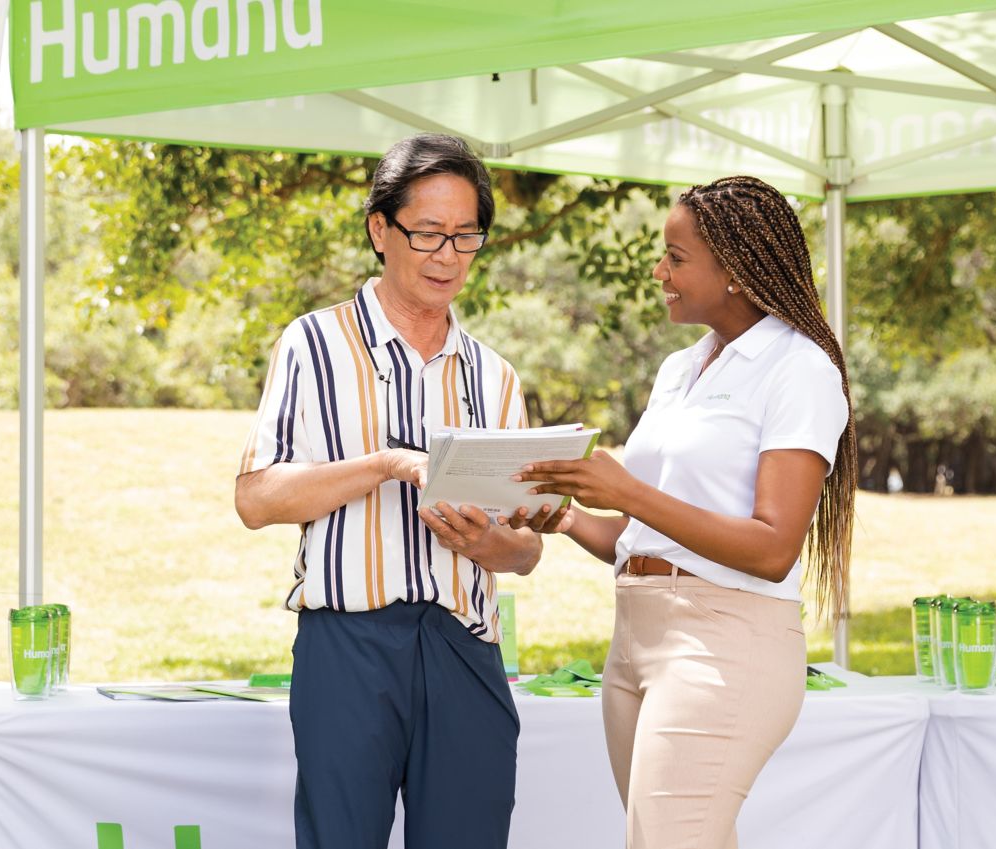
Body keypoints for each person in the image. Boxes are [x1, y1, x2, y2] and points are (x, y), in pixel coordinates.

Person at [514, 176, 856, 848]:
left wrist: (626, 491)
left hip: (725, 642)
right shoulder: (680, 368)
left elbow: (771, 546)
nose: (658, 270)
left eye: (675, 256)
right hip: (634, 635)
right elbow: (640, 531)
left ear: (732, 269)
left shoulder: (798, 369)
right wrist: (562, 515)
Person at [235, 133, 543, 849]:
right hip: (348, 647)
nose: (447, 256)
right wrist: (384, 465)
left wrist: (498, 544)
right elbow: (257, 498)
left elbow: (528, 548)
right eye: (428, 233)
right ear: (380, 228)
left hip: (465, 648)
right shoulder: (311, 345)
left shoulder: (494, 377)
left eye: (466, 236)